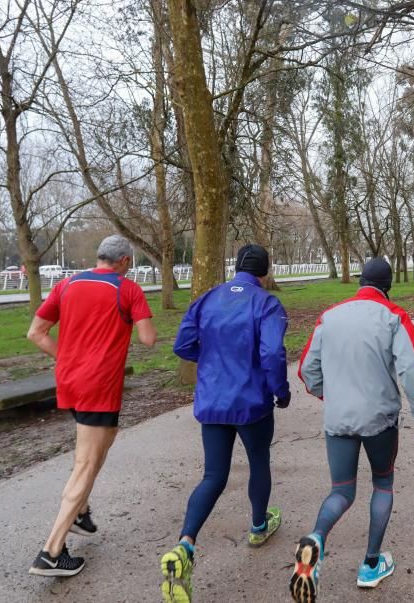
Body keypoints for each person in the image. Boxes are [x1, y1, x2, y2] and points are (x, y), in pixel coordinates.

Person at [290, 257, 414, 602]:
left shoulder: (330, 316)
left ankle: (317, 538)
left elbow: (307, 368)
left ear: (360, 281)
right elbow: (413, 371)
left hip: (338, 420)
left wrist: (329, 395)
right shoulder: (394, 317)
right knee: (382, 483)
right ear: (388, 285)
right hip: (379, 420)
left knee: (341, 490)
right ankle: (370, 564)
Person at [160, 244, 291, 603]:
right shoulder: (266, 304)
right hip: (252, 403)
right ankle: (259, 526)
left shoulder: (207, 298)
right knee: (258, 463)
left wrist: (215, 361)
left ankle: (185, 545)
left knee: (213, 476)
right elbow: (271, 354)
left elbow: (183, 344)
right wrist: (281, 390)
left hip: (213, 401)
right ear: (265, 272)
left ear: (237, 268)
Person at [26, 234, 157, 577]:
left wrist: (68, 359)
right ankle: (52, 551)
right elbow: (148, 338)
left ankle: (80, 512)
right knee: (87, 462)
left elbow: (36, 332)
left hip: (71, 382)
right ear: (125, 262)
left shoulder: (67, 284)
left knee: (104, 441)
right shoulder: (127, 290)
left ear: (100, 257)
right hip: (98, 385)